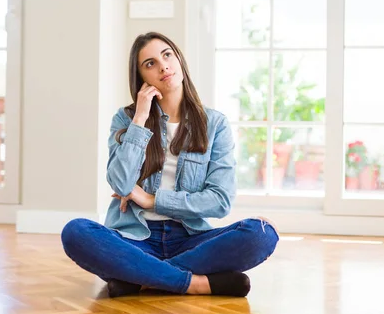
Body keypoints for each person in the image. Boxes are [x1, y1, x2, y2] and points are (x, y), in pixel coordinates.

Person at [60, 32, 279, 298]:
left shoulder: (215, 124)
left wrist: (151, 200)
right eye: (149, 63)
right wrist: (140, 117)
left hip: (191, 240)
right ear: (142, 78)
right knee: (76, 232)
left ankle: (138, 278)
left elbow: (219, 201)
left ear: (179, 60)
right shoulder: (126, 118)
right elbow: (120, 182)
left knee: (261, 234)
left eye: (167, 55)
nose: (163, 66)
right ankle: (195, 283)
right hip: (134, 239)